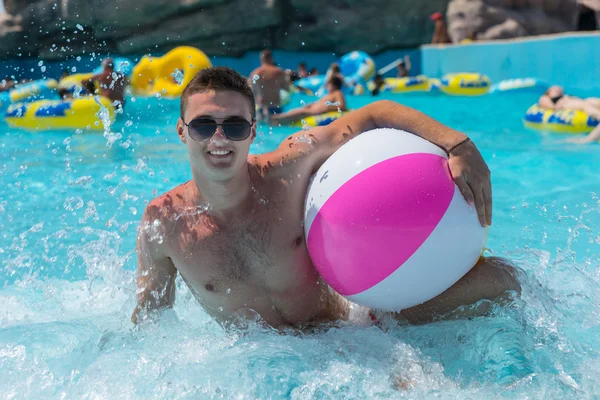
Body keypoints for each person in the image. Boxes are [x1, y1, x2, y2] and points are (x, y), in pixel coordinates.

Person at [131, 66, 519, 330]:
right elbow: (150, 327)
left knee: (503, 281)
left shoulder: (290, 167)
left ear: (252, 132)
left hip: (346, 333)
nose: (219, 138)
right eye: (203, 126)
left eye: (234, 126)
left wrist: (458, 144)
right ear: (182, 131)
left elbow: (372, 114)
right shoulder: (163, 225)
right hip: (256, 365)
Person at [270, 76, 347, 126]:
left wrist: (327, 108)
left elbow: (341, 106)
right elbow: (320, 103)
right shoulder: (329, 95)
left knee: (299, 112)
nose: (327, 87)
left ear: (333, 85)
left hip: (315, 112)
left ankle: (275, 118)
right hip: (311, 110)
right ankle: (276, 120)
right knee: (296, 111)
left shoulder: (337, 93)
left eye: (328, 85)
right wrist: (310, 105)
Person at [248, 49, 289, 123]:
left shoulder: (255, 73)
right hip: (275, 107)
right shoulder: (279, 72)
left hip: (261, 108)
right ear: (271, 58)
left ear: (261, 59)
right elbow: (287, 88)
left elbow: (252, 93)